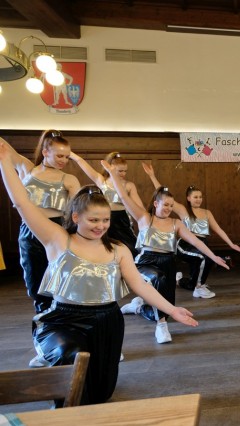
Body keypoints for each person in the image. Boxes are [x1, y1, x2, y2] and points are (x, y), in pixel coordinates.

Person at [0, 140, 198, 405]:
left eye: (105, 220)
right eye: (93, 220)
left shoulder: (118, 249)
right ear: (76, 217)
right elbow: (22, 203)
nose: (100, 226)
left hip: (107, 320)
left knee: (100, 390)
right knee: (71, 360)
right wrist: (4, 162)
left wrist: (172, 310)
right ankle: (65, 412)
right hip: (65, 320)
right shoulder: (57, 239)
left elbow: (140, 285)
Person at [102, 160, 228, 344]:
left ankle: (138, 308)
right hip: (145, 262)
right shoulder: (144, 218)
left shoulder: (176, 224)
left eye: (171, 205)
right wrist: (112, 173)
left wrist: (213, 256)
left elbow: (195, 241)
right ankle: (161, 327)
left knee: (166, 306)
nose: (168, 208)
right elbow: (123, 196)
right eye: (165, 205)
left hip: (168, 262)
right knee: (157, 279)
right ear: (156, 203)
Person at [1, 131, 81, 316]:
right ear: (45, 152)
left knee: (59, 275)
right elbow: (6, 149)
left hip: (57, 230)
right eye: (59, 156)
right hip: (29, 230)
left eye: (67, 157)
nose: (64, 160)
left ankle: (61, 314)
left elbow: (78, 212)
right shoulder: (27, 168)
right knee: (34, 277)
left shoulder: (69, 179)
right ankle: (43, 315)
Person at [142, 162, 240, 297]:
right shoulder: (183, 210)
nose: (198, 199)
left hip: (201, 244)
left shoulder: (207, 213)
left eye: (200, 197)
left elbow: (219, 230)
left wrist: (231, 244)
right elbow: (162, 193)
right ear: (188, 198)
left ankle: (187, 282)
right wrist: (152, 176)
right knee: (204, 258)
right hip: (185, 245)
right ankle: (199, 287)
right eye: (195, 197)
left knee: (198, 272)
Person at [69, 151, 144, 256]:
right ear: (110, 168)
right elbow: (81, 162)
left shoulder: (129, 185)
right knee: (104, 246)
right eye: (120, 171)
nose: (123, 174)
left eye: (125, 171)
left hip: (121, 219)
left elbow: (140, 208)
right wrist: (70, 154)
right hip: (103, 217)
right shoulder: (101, 180)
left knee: (129, 247)